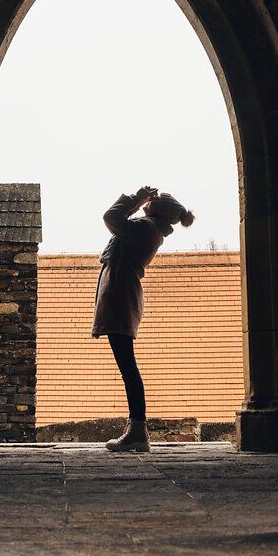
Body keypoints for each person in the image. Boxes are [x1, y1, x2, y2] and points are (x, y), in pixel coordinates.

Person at [91, 183, 195, 452]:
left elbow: (111, 218)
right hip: (121, 297)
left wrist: (135, 199)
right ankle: (137, 429)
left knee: (128, 367)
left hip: (120, 298)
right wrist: (138, 203)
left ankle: (138, 430)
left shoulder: (146, 230)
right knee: (128, 367)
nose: (149, 201)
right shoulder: (149, 229)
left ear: (156, 208)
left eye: (153, 200)